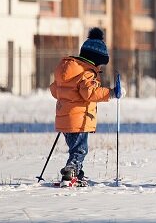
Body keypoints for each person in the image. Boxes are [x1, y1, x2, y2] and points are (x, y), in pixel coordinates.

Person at [50, 27, 121, 186]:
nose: (100, 68)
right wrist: (111, 93)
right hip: (79, 120)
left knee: (75, 149)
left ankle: (78, 173)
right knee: (80, 150)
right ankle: (70, 172)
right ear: (95, 59)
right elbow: (90, 93)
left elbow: (54, 90)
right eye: (100, 64)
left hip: (64, 120)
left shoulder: (66, 70)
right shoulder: (86, 73)